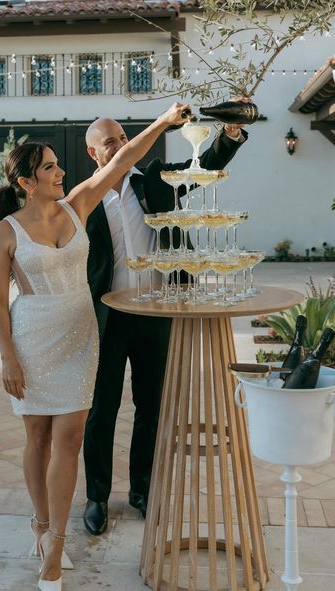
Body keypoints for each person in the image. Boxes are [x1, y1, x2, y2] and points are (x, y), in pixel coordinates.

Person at [0, 102, 192, 591]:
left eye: (59, 164)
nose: (62, 172)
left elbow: (121, 161)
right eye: (51, 167)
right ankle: (40, 525)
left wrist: (163, 122)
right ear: (27, 182)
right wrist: (7, 356)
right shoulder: (4, 232)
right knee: (37, 439)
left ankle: (56, 543)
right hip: (32, 340)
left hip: (82, 335)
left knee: (71, 439)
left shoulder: (77, 205)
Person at [82, 105, 250, 536]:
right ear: (93, 155)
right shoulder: (87, 198)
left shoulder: (155, 180)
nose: (120, 146)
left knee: (152, 407)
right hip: (106, 317)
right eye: (111, 143)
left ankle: (142, 488)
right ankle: (96, 497)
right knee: (101, 410)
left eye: (122, 138)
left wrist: (229, 135)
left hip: (156, 309)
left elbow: (203, 166)